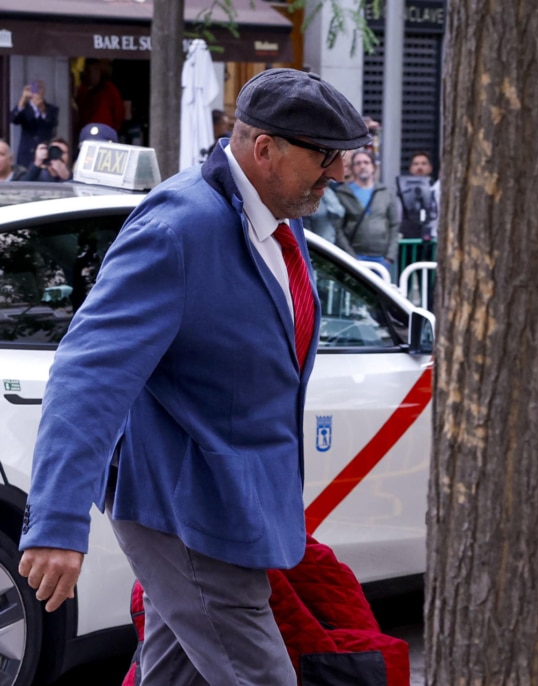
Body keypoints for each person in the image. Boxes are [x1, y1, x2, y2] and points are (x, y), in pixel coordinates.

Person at [17, 68, 370, 685]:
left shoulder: (282, 216)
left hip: (235, 503)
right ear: (265, 149)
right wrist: (56, 522)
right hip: (185, 509)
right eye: (326, 157)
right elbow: (88, 373)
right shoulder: (179, 227)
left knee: (173, 675)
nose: (339, 173)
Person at [335, 149, 400, 270]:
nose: (362, 166)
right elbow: (338, 229)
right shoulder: (343, 193)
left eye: (366, 162)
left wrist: (390, 257)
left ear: (373, 167)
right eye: (358, 163)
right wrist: (350, 256)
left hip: (382, 258)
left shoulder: (385, 193)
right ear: (353, 168)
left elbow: (394, 225)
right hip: (355, 256)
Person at [10, 80, 59, 170]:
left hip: (45, 154)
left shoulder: (52, 109)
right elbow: (13, 119)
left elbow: (52, 123)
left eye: (39, 88)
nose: (37, 91)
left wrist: (42, 108)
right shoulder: (24, 108)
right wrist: (23, 98)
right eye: (34, 88)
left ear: (44, 91)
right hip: (26, 156)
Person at [75, 58, 125, 133]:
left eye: (95, 71)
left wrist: (114, 131)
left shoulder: (110, 90)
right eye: (88, 71)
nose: (92, 75)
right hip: (86, 133)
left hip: (106, 132)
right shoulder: (81, 91)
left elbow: (119, 114)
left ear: (99, 72)